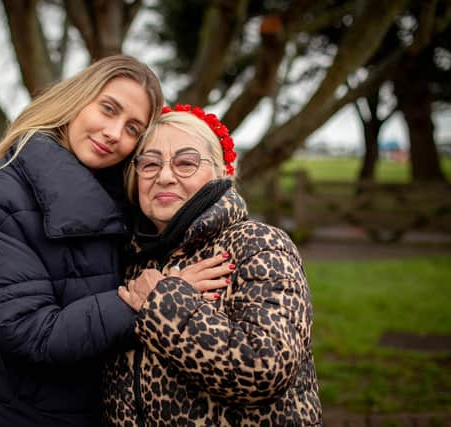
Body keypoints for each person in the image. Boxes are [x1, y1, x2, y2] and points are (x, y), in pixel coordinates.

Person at [0, 55, 167, 427]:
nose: (114, 133)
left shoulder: (125, 201)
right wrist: (147, 302)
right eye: (108, 109)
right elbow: (27, 329)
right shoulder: (0, 188)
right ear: (76, 99)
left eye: (133, 128)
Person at [102, 105, 322, 426]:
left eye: (186, 163)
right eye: (149, 164)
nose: (164, 176)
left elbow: (264, 370)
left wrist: (163, 302)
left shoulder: (259, 244)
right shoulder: (131, 257)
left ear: (221, 173)